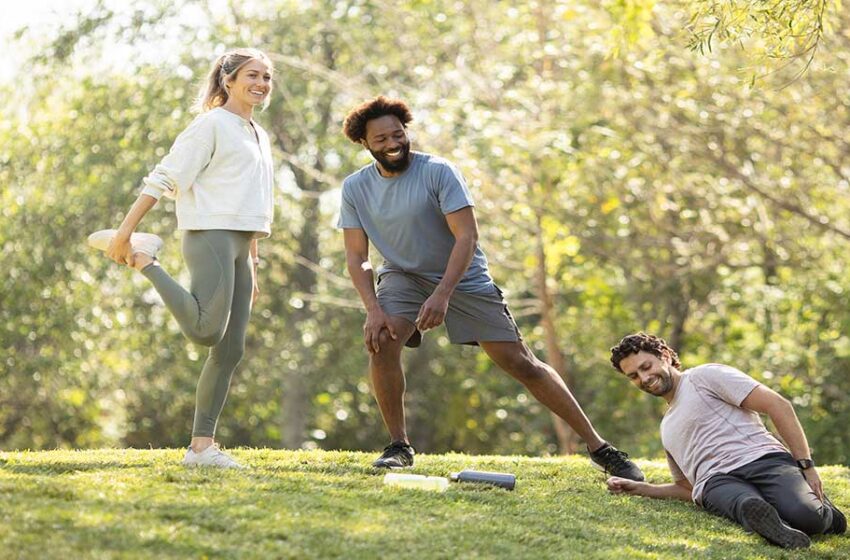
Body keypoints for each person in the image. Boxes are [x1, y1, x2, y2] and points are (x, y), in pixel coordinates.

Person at [336, 95, 643, 480]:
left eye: (398, 134)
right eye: (380, 139)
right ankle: (398, 446)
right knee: (382, 340)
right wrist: (373, 309)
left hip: (460, 276)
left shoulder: (439, 172)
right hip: (402, 276)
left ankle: (601, 448)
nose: (392, 144)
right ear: (365, 143)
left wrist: (443, 294)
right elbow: (356, 256)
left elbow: (467, 237)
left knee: (521, 363)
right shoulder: (355, 188)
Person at [88, 48, 275, 469]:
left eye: (266, 77)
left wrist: (255, 263)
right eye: (252, 75)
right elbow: (165, 177)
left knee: (230, 351)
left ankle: (201, 449)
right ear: (228, 80)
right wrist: (124, 231)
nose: (261, 84)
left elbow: (255, 201)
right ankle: (144, 258)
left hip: (243, 244)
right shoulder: (209, 125)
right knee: (207, 332)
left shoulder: (258, 135)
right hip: (208, 234)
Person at [607, 332, 846, 549]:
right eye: (634, 376)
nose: (645, 378)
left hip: (762, 459)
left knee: (808, 516)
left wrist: (806, 466)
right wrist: (643, 489)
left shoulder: (704, 376)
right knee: (745, 502)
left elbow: (778, 405)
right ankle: (766, 519)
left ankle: (827, 515)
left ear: (666, 356)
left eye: (646, 367)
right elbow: (686, 488)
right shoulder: (666, 427)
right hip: (715, 482)